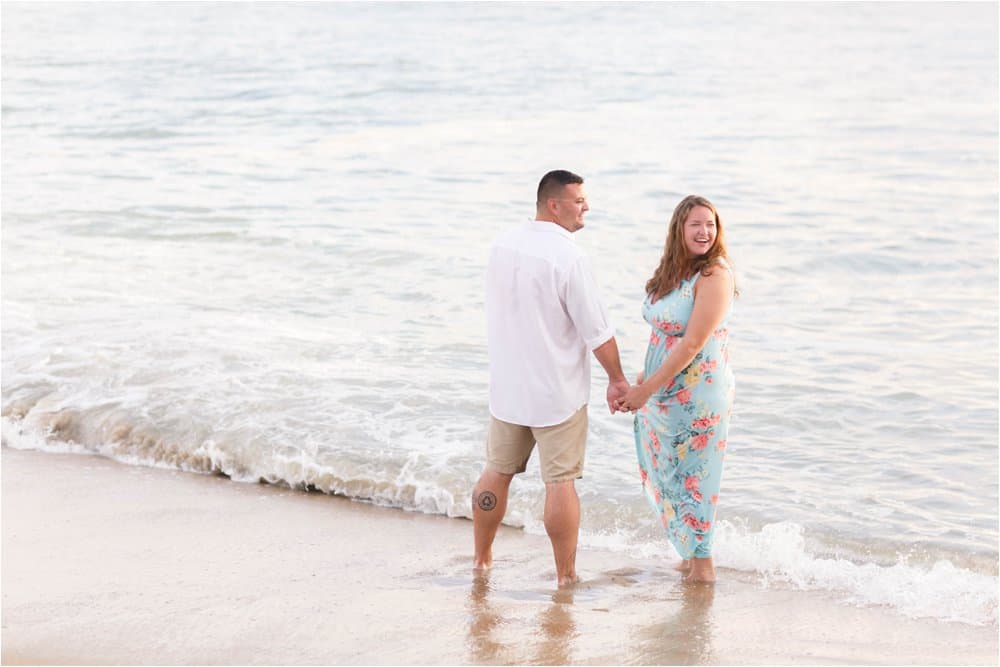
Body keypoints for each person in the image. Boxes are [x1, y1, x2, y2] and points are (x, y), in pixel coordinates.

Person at [472, 169, 630, 586]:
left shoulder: (501, 244)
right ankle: (566, 576)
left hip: (508, 390)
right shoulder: (569, 256)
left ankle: (481, 560)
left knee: (495, 473)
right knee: (560, 483)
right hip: (555, 394)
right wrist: (617, 379)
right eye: (579, 200)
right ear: (554, 205)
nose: (587, 207)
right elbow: (597, 329)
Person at [617, 195, 736, 584]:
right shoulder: (673, 273)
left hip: (698, 396)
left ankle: (702, 572)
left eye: (711, 225)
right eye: (695, 225)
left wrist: (647, 389)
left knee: (695, 482)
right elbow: (664, 333)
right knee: (670, 477)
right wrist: (644, 378)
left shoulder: (714, 276)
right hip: (664, 393)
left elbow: (691, 344)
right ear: (678, 230)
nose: (704, 232)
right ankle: (687, 560)